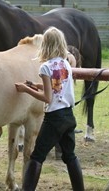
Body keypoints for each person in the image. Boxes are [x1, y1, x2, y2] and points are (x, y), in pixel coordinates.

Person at [15, 27, 84, 191]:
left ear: (45, 45)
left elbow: (47, 98)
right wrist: (34, 85)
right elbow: (56, 87)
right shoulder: (66, 64)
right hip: (68, 116)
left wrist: (26, 90)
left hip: (54, 119)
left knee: (37, 156)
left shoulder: (46, 67)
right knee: (70, 156)